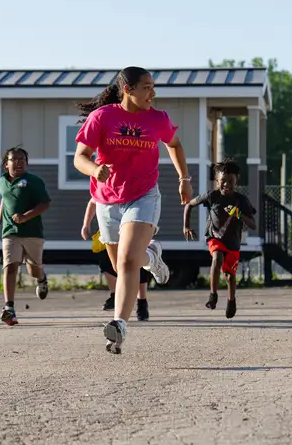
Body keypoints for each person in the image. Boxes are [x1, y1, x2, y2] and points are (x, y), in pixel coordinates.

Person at [73, 66, 192, 354]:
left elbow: (174, 144)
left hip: (143, 196)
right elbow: (80, 157)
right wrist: (95, 169)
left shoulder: (158, 119)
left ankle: (119, 324)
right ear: (128, 89)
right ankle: (151, 256)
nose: (153, 92)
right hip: (106, 200)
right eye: (147, 87)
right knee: (119, 266)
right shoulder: (102, 117)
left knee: (127, 263)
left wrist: (184, 179)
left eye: (153, 86)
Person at [0, 147, 51, 326]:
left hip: (32, 232)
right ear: (6, 164)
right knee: (10, 266)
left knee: (33, 270)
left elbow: (45, 203)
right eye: (14, 159)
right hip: (10, 232)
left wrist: (25, 216)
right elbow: (5, 198)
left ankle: (41, 278)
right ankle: (8, 307)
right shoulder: (2, 181)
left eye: (22, 159)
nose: (18, 162)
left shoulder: (34, 181)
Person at [182, 160, 256, 319]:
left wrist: (238, 214)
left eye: (231, 181)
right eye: (223, 181)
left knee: (230, 275)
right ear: (217, 181)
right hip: (214, 237)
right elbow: (189, 205)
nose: (227, 185)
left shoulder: (241, 200)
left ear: (237, 181)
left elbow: (253, 224)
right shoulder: (212, 196)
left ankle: (231, 300)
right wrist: (186, 226)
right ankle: (213, 295)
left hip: (233, 243)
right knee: (217, 258)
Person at [81, 197, 151, 321]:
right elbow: (93, 201)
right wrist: (86, 224)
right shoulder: (105, 184)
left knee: (135, 263)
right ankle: (115, 294)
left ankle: (142, 301)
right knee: (106, 263)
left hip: (133, 228)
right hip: (110, 231)